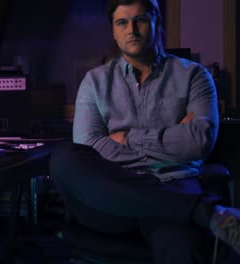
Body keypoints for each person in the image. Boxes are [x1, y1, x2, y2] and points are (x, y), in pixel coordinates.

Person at [50, 0, 240, 263]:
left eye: (139, 20)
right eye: (122, 22)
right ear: (114, 31)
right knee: (64, 157)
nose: (132, 30)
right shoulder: (94, 82)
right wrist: (172, 142)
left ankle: (196, 211)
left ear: (156, 23)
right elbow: (89, 146)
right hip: (112, 197)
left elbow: (199, 141)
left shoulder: (194, 76)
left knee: (182, 246)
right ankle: (205, 211)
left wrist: (127, 139)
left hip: (173, 184)